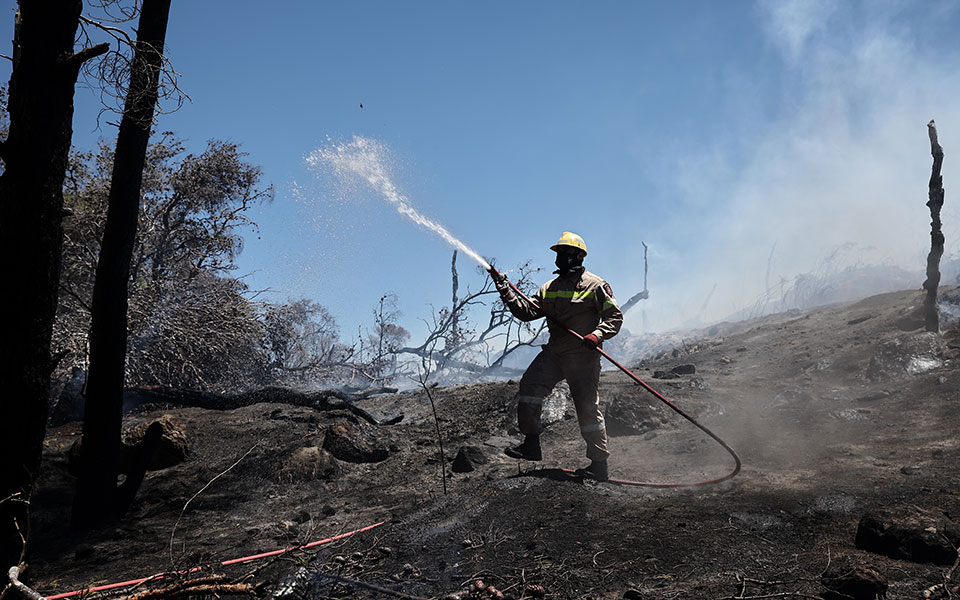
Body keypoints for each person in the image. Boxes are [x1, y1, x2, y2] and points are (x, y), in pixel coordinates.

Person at [489, 232, 623, 481]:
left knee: (587, 409)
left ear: (579, 256)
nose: (560, 258)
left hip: (583, 355)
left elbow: (614, 317)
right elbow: (528, 312)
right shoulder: (549, 288)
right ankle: (531, 444)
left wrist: (597, 335)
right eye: (558, 254)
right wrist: (505, 290)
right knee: (530, 386)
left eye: (566, 253)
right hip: (555, 352)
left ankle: (599, 464)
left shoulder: (595, 285)